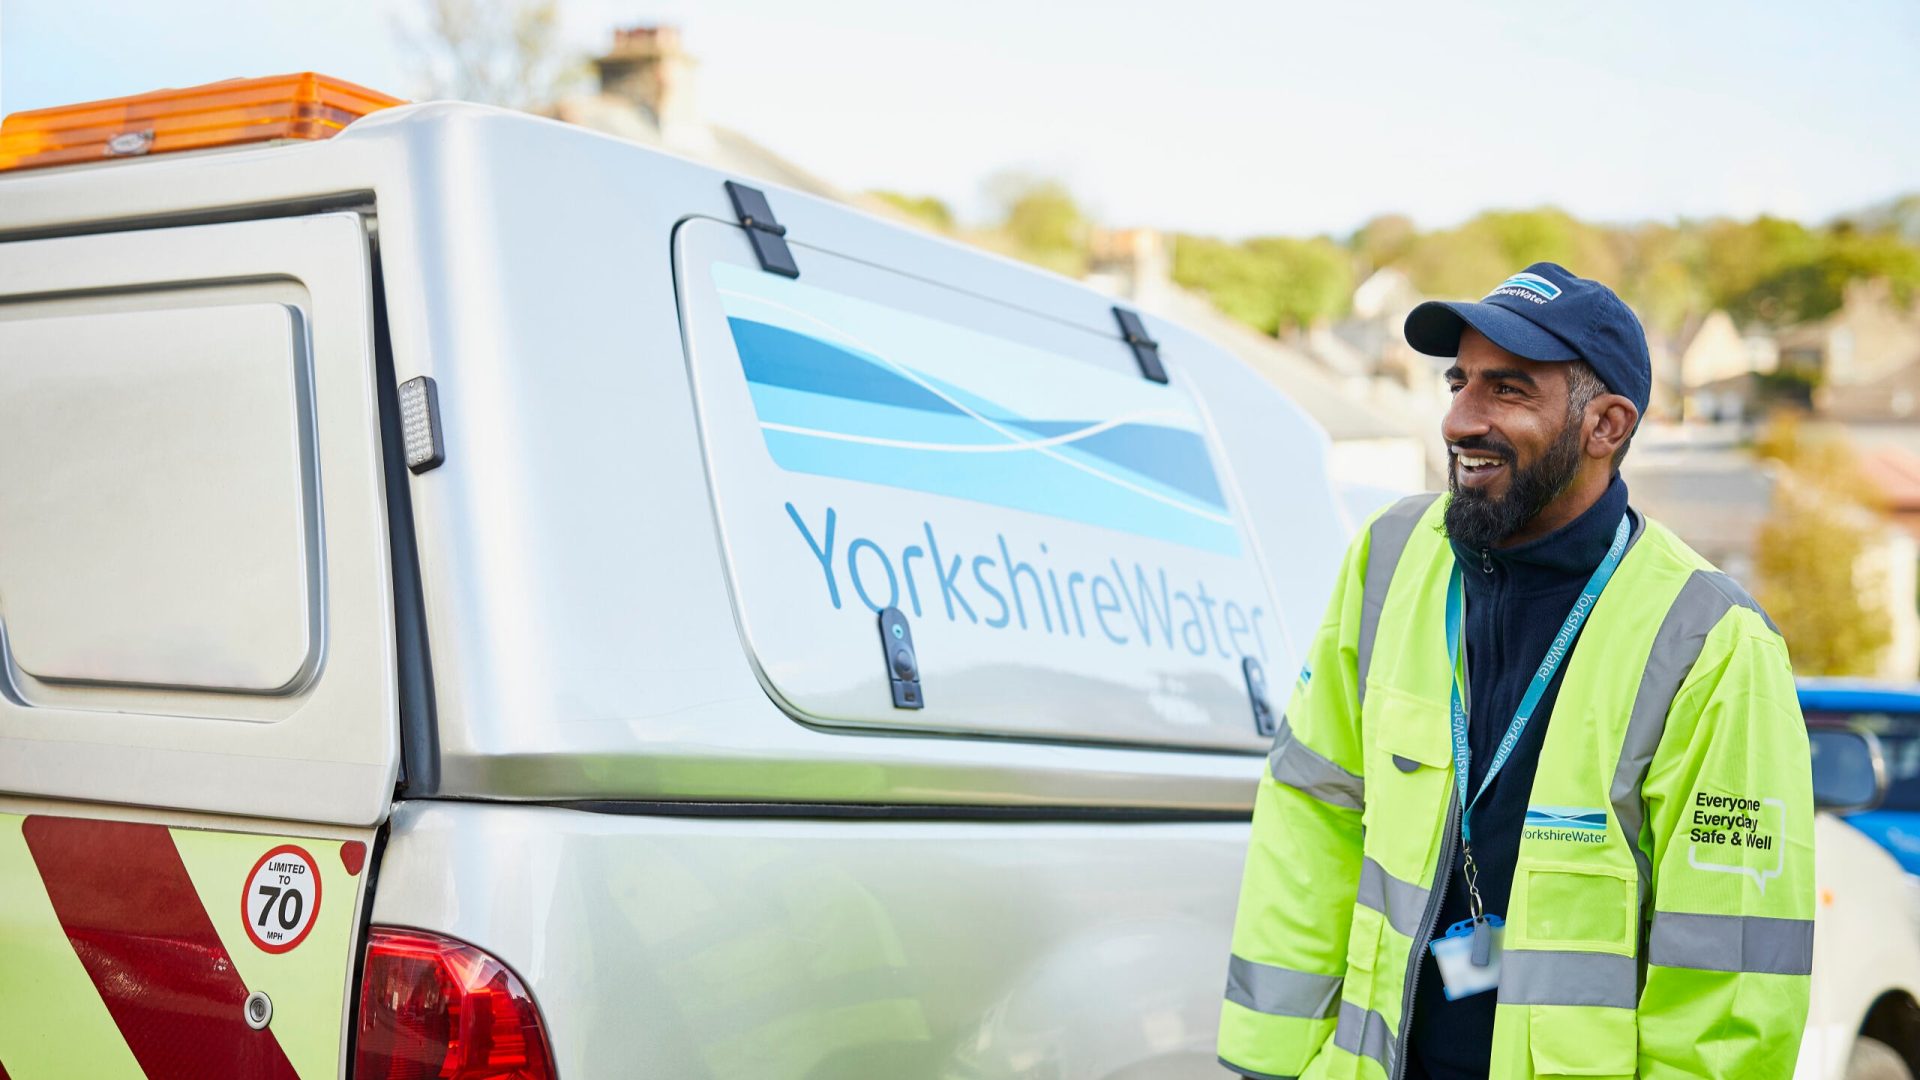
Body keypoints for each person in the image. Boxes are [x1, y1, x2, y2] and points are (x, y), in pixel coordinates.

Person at [1217, 263, 1813, 1080]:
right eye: (1458, 381)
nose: (1460, 419)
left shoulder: (1712, 641)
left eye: (1507, 390)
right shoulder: (1390, 558)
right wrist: (1270, 1067)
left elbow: (1729, 988)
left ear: (1605, 424)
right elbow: (1310, 820)